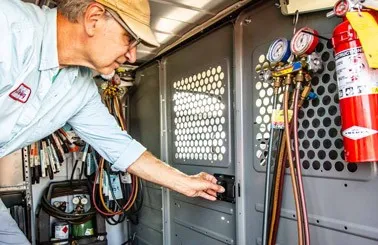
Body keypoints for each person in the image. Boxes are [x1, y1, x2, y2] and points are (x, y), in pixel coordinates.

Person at [0, 0, 225, 243]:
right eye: (129, 38)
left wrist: (185, 183)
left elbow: (121, 148)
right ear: (93, 18)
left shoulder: (80, 89)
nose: (132, 55)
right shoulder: (9, 27)